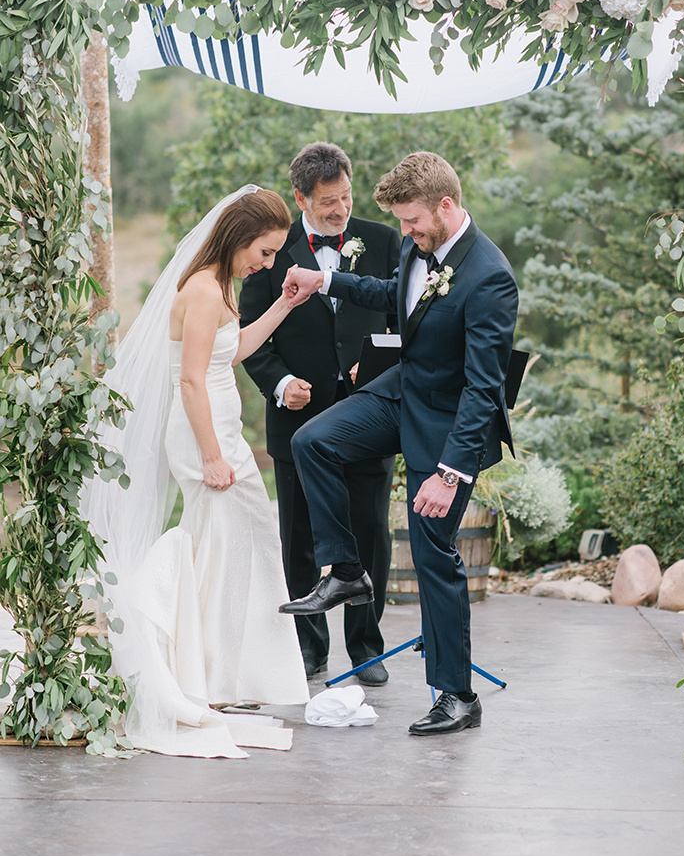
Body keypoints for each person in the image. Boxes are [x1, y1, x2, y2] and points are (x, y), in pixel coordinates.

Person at [279, 152, 518, 736]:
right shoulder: (420, 245)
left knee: (435, 553)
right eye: (401, 224)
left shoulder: (490, 277)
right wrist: (325, 279)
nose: (404, 233)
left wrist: (451, 473)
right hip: (403, 390)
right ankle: (347, 571)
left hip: (449, 422)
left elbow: (485, 389)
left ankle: (457, 696)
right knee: (313, 440)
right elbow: (396, 293)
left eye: (411, 221)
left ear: (446, 204)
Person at [83, 186, 310, 758]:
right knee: (223, 542)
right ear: (239, 237)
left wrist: (282, 306)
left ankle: (218, 671)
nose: (266, 263)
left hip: (219, 433)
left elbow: (228, 354)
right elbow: (189, 381)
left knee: (235, 543)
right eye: (263, 251)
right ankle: (190, 660)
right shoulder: (204, 290)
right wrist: (212, 454)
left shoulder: (219, 287)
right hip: (203, 436)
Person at [239, 142, 400, 684]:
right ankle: (309, 650)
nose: (340, 209)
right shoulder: (270, 250)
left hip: (369, 413)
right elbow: (251, 338)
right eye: (328, 201)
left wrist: (375, 368)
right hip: (297, 420)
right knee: (300, 540)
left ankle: (367, 648)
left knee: (370, 532)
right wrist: (283, 384)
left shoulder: (384, 240)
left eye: (346, 196)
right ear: (301, 196)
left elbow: (404, 318)